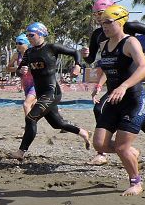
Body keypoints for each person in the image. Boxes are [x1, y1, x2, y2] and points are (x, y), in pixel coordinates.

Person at [83, 0, 145, 164]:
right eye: (96, 14)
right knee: (131, 117)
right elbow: (105, 62)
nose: (99, 19)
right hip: (114, 82)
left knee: (110, 111)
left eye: (103, 14)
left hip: (131, 82)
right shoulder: (98, 34)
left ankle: (109, 151)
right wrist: (88, 60)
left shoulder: (129, 28)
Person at [91, 5, 145, 196]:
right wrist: (99, 86)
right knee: (99, 144)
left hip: (134, 101)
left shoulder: (130, 42)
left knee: (121, 147)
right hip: (114, 101)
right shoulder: (104, 45)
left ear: (121, 21)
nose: (104, 26)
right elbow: (107, 70)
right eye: (102, 23)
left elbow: (144, 68)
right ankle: (131, 153)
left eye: (108, 22)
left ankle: (136, 182)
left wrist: (124, 86)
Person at [9, 21, 91, 161]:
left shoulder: (52, 48)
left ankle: (21, 152)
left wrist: (77, 66)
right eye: (27, 35)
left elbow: (75, 52)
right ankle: (82, 132)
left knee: (31, 118)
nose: (28, 37)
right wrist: (20, 70)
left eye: (31, 35)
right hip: (41, 93)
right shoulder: (29, 52)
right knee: (57, 124)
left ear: (40, 34)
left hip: (52, 92)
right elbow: (19, 70)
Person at [6, 34, 37, 117]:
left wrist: (30, 68)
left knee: (26, 105)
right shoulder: (16, 55)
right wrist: (17, 68)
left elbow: (41, 67)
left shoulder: (34, 53)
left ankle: (29, 127)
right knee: (35, 106)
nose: (17, 45)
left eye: (20, 43)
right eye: (16, 43)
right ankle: (63, 123)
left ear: (27, 44)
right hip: (26, 85)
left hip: (36, 84)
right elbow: (8, 68)